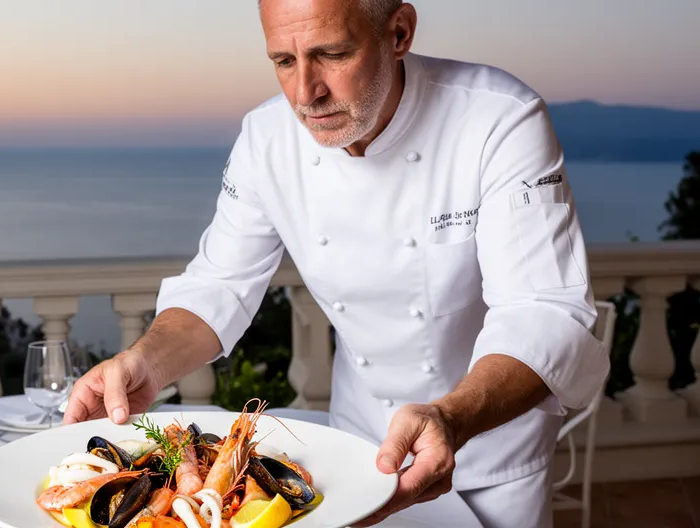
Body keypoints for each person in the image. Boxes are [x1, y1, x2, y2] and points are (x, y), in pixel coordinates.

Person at [63, 0, 610, 526]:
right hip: (354, 451)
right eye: (283, 61)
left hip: (490, 451)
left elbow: (544, 312)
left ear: (399, 33)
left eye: (333, 54)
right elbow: (219, 286)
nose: (306, 92)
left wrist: (452, 416)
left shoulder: (499, 118)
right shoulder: (266, 139)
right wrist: (147, 362)